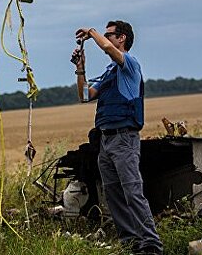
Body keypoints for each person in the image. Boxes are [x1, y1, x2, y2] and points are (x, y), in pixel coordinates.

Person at [72, 20, 163, 255]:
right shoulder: (110, 72)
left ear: (122, 38)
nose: (106, 38)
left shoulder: (129, 64)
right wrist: (80, 69)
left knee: (132, 192)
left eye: (109, 34)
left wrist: (91, 33)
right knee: (114, 195)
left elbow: (108, 50)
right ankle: (131, 243)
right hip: (106, 139)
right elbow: (84, 95)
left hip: (124, 138)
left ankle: (151, 244)